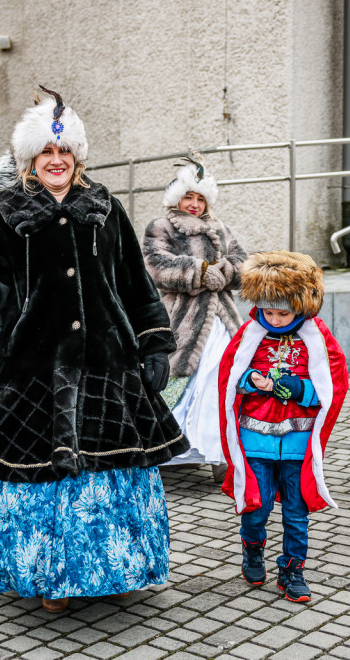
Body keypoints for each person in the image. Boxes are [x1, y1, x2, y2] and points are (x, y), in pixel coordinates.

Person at [0, 88, 188, 614]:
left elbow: (134, 285)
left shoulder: (105, 210)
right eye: (46, 154)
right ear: (30, 160)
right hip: (30, 370)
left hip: (106, 366)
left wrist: (154, 341)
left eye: (65, 153)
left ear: (76, 157)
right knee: (37, 480)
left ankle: (114, 570)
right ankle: (47, 579)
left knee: (112, 472)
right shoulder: (6, 215)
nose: (56, 162)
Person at [218, 251, 348, 603]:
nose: (274, 319)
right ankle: (253, 548)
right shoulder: (250, 333)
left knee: (296, 510)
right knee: (256, 507)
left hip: (298, 441)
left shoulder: (316, 336)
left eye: (282, 312)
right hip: (255, 437)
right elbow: (228, 378)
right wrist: (248, 379)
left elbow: (334, 384)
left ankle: (292, 569)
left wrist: (302, 389)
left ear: (301, 305)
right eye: (268, 311)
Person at [142, 156, 246, 480]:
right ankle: (176, 450)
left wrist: (224, 272)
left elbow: (242, 261)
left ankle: (220, 454)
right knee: (181, 382)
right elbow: (156, 265)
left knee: (222, 383)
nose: (194, 204)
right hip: (181, 319)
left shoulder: (220, 228)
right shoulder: (160, 227)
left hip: (222, 318)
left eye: (200, 198)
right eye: (189, 197)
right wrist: (199, 273)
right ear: (177, 197)